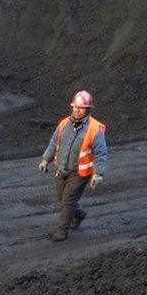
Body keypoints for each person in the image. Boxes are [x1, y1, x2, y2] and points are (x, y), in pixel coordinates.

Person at [38, 90, 108, 242]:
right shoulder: (64, 123)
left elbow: (100, 153)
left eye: (81, 108)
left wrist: (98, 174)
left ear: (88, 109)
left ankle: (61, 230)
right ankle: (78, 214)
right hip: (62, 169)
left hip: (80, 173)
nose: (77, 110)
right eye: (75, 107)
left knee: (68, 201)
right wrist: (45, 159)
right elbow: (54, 142)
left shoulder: (95, 129)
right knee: (62, 198)